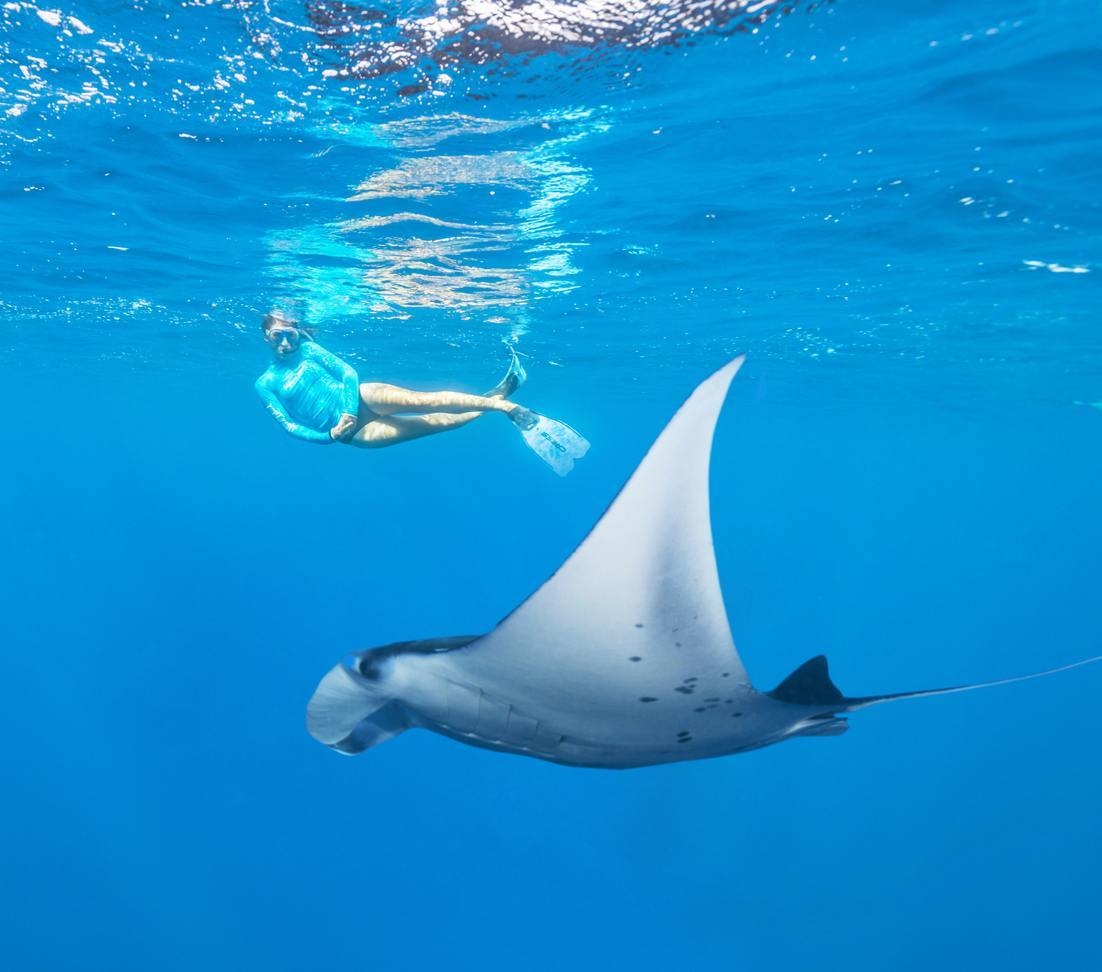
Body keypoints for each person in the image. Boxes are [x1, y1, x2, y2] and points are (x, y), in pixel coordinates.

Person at [254, 311, 589, 475]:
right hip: (354, 434)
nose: (286, 343)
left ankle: (508, 408)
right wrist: (330, 434)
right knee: (438, 422)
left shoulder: (311, 351)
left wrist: (346, 411)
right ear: (266, 337)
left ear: (299, 334)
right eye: (277, 337)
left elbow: (348, 373)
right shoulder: (265, 383)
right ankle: (497, 399)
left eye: (292, 335)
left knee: (422, 400)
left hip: (360, 398)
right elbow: (289, 426)